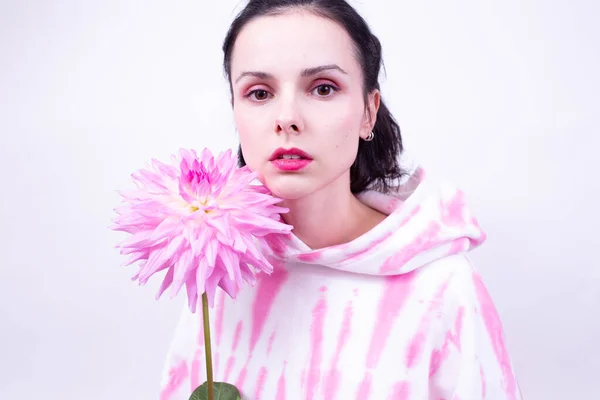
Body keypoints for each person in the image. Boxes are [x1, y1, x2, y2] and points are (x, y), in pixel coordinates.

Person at [159, 1, 522, 399]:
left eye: (323, 88)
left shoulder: (441, 285)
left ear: (368, 112)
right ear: (235, 111)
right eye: (259, 93)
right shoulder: (220, 265)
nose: (287, 117)